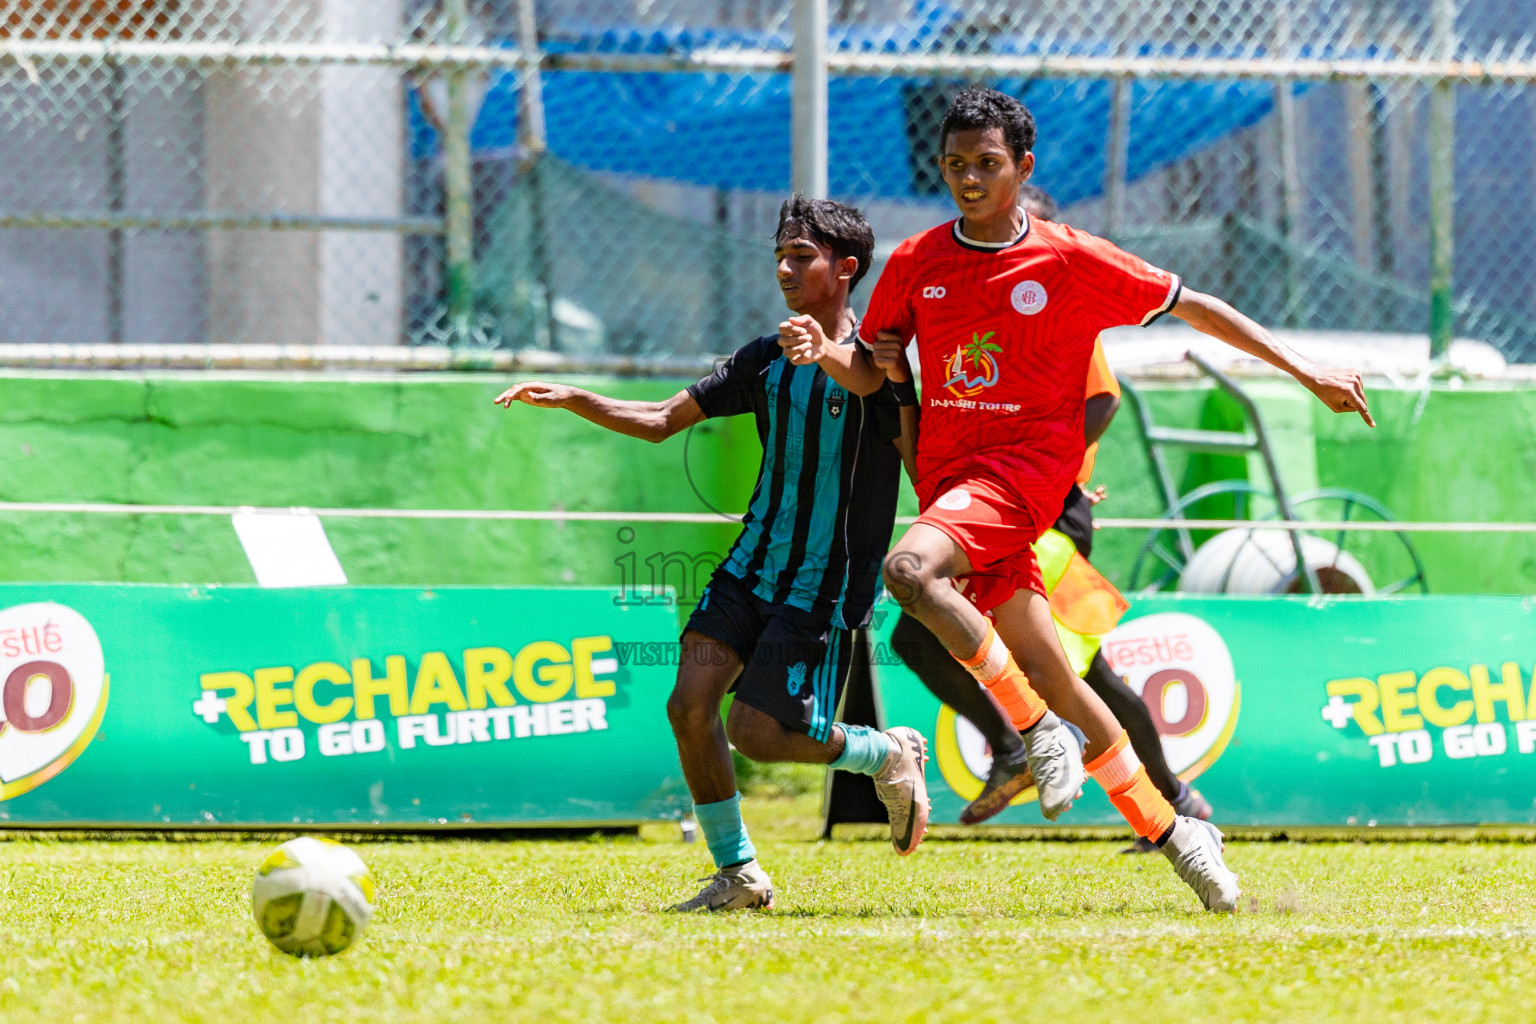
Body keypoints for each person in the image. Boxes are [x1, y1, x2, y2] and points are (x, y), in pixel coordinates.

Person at [782, 86, 1373, 912]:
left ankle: (1028, 732)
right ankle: (1180, 833)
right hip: (952, 486)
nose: (970, 179)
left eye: (987, 164)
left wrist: (1308, 369)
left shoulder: (1070, 260)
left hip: (1019, 482)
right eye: (955, 165)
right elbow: (877, 370)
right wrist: (829, 355)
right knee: (1068, 683)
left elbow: (1194, 306)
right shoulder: (917, 262)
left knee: (909, 574)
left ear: (1023, 167)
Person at [496, 196, 929, 912]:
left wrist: (823, 351)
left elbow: (869, 387)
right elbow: (664, 420)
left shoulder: (881, 361)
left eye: (803, 257)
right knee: (688, 706)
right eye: (779, 256)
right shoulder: (764, 359)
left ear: (846, 268)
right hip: (750, 566)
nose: (785, 269)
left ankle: (884, 753)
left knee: (756, 732)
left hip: (822, 582)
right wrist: (576, 397)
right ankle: (739, 874)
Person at [889, 184, 1213, 855]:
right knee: (919, 638)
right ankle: (1020, 747)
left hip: (1043, 507)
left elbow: (1103, 400)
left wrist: (1054, 477)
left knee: (1075, 671)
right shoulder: (953, 281)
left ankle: (1173, 804)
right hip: (994, 493)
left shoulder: (1058, 288)